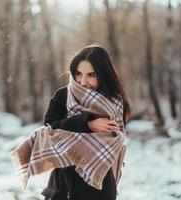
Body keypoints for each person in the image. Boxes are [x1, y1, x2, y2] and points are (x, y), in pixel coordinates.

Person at [41, 44, 131, 200]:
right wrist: (87, 124)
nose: (83, 82)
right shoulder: (63, 96)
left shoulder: (114, 102)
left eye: (91, 75)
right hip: (63, 185)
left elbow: (113, 141)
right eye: (78, 74)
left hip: (99, 187)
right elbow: (50, 132)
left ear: (103, 75)